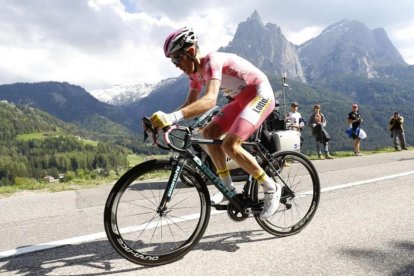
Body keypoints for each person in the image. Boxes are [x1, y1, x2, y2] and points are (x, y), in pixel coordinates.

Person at [150, 27, 281, 220]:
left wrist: (173, 118)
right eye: (172, 61)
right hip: (240, 101)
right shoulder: (194, 74)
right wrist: (164, 120)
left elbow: (210, 100)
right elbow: (190, 104)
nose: (176, 65)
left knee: (230, 144)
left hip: (260, 95)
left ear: (191, 51)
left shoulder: (213, 61)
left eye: (177, 58)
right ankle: (228, 189)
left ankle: (271, 187)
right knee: (208, 134)